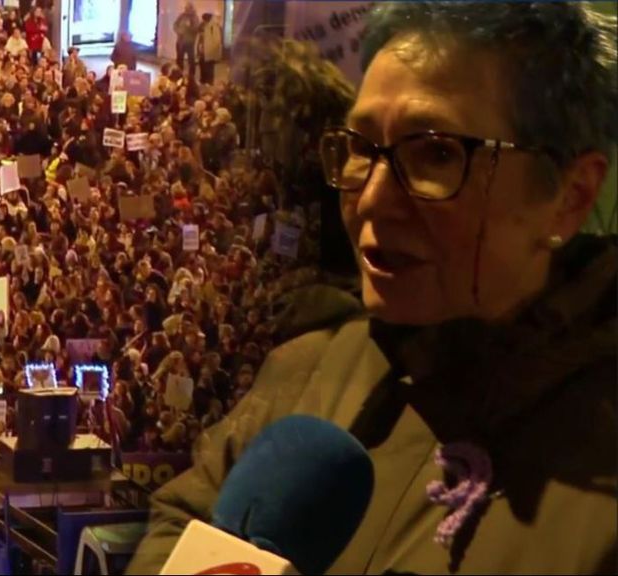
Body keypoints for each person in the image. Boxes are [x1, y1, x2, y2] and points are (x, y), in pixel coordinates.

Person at [127, 2, 618, 574]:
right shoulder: (303, 374)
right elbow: (180, 523)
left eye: (436, 152)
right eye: (362, 147)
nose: (373, 198)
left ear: (570, 196)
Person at [173, 2, 199, 79]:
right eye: (186, 8)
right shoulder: (181, 16)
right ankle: (179, 75)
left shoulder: (194, 17)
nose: (186, 10)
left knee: (191, 60)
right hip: (180, 42)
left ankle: (191, 76)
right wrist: (178, 31)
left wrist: (190, 26)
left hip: (189, 42)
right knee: (179, 59)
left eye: (188, 8)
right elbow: (175, 25)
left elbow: (196, 29)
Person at [197, 13, 223, 85]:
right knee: (202, 65)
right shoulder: (202, 25)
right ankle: (203, 80)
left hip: (209, 50)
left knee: (209, 67)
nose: (204, 20)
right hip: (202, 49)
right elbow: (198, 35)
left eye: (205, 19)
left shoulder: (213, 26)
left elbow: (217, 39)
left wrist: (214, 51)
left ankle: (209, 81)